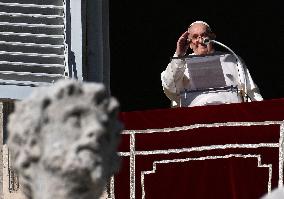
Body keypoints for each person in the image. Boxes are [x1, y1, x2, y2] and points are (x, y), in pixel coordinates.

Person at [161, 21, 263, 107]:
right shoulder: (181, 63)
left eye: (204, 35)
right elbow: (170, 87)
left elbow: (251, 91)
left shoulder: (232, 59)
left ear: (212, 37)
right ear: (190, 43)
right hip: (196, 118)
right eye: (195, 37)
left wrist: (262, 114)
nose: (200, 40)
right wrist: (179, 55)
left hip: (230, 114)